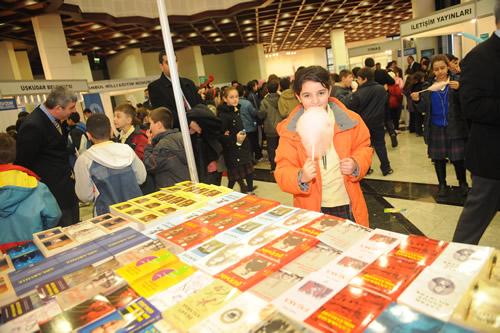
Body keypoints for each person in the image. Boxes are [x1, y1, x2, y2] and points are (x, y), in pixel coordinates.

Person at [274, 66, 373, 227]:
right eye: (307, 95)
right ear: (298, 97)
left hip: (347, 201)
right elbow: (282, 170)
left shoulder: (351, 121)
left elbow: (364, 147)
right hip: (312, 207)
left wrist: (356, 163)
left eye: (321, 93)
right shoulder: (290, 131)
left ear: (329, 90)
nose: (315, 101)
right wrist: (301, 177)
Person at [452, 2, 500, 245]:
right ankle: (452, 272)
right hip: (492, 160)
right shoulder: (481, 56)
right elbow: (472, 107)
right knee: (471, 228)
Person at [15, 86, 79, 227]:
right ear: (58, 108)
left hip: (66, 189)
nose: (74, 111)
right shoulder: (33, 126)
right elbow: (22, 163)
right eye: (72, 107)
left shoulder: (54, 120)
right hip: (52, 195)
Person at [411, 54, 469, 197]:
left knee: (458, 159)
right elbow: (423, 108)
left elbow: (467, 102)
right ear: (432, 70)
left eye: (442, 68)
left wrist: (460, 90)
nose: (440, 71)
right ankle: (442, 185)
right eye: (436, 69)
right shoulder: (428, 86)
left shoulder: (457, 81)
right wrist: (417, 101)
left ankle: (463, 184)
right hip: (435, 127)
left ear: (448, 67)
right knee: (438, 159)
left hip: (455, 125)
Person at [74, 114, 146, 216]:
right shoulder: (126, 150)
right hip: (137, 209)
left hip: (108, 215)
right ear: (111, 131)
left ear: (88, 135)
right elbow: (141, 178)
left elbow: (85, 196)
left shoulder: (84, 160)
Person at [0, 133, 61, 252]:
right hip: (33, 245)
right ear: (14, 154)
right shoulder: (34, 185)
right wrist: (42, 230)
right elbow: (54, 215)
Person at [345, 67, 393, 176]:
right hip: (378, 123)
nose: (358, 81)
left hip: (363, 125)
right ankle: (386, 168)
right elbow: (386, 105)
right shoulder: (381, 89)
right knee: (380, 145)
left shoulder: (359, 92)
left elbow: (351, 108)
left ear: (364, 79)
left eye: (359, 79)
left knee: (365, 148)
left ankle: (366, 169)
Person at [148, 51, 203, 130]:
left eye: (174, 61)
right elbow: (165, 113)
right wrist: (189, 123)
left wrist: (199, 122)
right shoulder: (155, 88)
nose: (172, 65)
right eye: (168, 62)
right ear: (161, 66)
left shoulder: (188, 83)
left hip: (199, 128)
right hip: (178, 132)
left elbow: (200, 105)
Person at [217, 87, 255, 193]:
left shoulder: (236, 110)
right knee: (234, 176)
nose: (235, 99)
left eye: (237, 97)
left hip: (242, 146)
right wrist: (234, 138)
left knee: (249, 171)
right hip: (232, 149)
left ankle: (249, 190)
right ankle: (230, 193)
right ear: (225, 99)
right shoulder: (223, 115)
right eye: (231, 97)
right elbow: (220, 135)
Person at [143, 107, 189, 189]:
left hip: (170, 191)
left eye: (150, 123)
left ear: (159, 125)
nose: (149, 128)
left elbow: (150, 165)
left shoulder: (163, 145)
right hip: (185, 186)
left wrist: (149, 146)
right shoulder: (182, 136)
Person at [365, 57, 398, 148]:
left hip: (371, 100)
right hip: (383, 97)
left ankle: (373, 142)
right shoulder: (381, 72)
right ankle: (392, 133)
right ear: (374, 64)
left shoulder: (366, 75)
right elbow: (392, 81)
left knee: (374, 119)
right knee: (387, 116)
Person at [258, 79, 282, 172]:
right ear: (277, 88)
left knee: (271, 149)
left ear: (267, 89)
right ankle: (283, 165)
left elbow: (261, 114)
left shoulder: (265, 101)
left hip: (270, 128)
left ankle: (274, 166)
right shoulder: (281, 98)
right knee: (281, 147)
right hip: (281, 127)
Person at [236, 85, 259, 163]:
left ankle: (247, 160)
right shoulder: (247, 103)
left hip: (240, 128)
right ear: (244, 92)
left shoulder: (234, 104)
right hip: (250, 127)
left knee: (244, 146)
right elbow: (254, 113)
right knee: (252, 145)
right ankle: (252, 159)